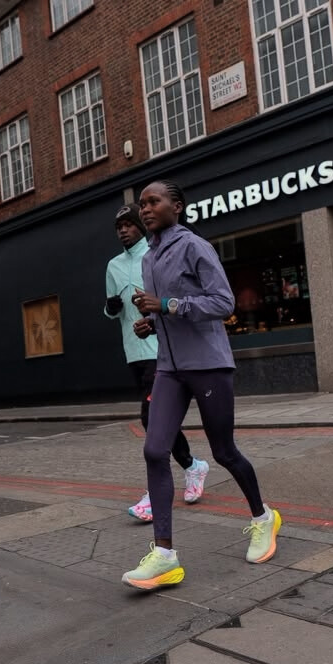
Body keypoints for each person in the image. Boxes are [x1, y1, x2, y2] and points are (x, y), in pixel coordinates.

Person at [121, 180, 280, 591]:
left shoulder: (196, 247)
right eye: (142, 204)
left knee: (224, 451)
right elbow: (165, 312)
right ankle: (164, 556)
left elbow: (223, 303)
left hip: (209, 364)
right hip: (169, 368)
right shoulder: (148, 259)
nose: (145, 209)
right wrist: (150, 322)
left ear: (177, 206)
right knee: (154, 450)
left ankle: (263, 518)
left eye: (153, 201)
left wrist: (168, 306)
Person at [103, 204, 208, 521]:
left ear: (140, 225)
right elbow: (112, 312)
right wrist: (111, 307)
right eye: (119, 227)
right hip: (134, 352)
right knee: (158, 420)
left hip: (161, 350)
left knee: (152, 420)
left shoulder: (155, 256)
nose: (123, 230)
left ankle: (157, 492)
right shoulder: (113, 266)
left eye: (128, 224)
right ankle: (192, 465)